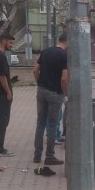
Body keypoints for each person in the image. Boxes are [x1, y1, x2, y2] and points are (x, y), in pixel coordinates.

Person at [32, 32, 68, 165]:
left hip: (41, 90)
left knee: (40, 123)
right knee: (52, 124)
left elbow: (35, 70)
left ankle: (37, 155)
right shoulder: (65, 56)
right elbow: (64, 78)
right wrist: (63, 93)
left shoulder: (46, 51)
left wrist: (40, 84)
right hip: (55, 93)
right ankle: (49, 156)